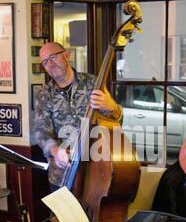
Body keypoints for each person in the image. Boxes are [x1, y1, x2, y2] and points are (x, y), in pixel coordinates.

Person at [33, 42, 123, 192]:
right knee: (62, 216)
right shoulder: (44, 94)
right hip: (62, 175)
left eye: (53, 57)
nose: (50, 64)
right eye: (45, 62)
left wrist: (112, 107)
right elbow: (41, 132)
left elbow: (116, 121)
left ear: (67, 55)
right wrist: (56, 151)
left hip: (96, 170)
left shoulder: (93, 83)